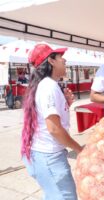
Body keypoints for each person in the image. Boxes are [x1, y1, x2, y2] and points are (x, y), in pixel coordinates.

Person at [21, 43, 83, 200]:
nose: (64, 60)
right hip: (50, 159)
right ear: (51, 61)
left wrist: (65, 104)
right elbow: (54, 129)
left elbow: (45, 119)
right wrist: (79, 149)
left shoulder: (46, 85)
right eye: (60, 57)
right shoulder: (48, 86)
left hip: (44, 157)